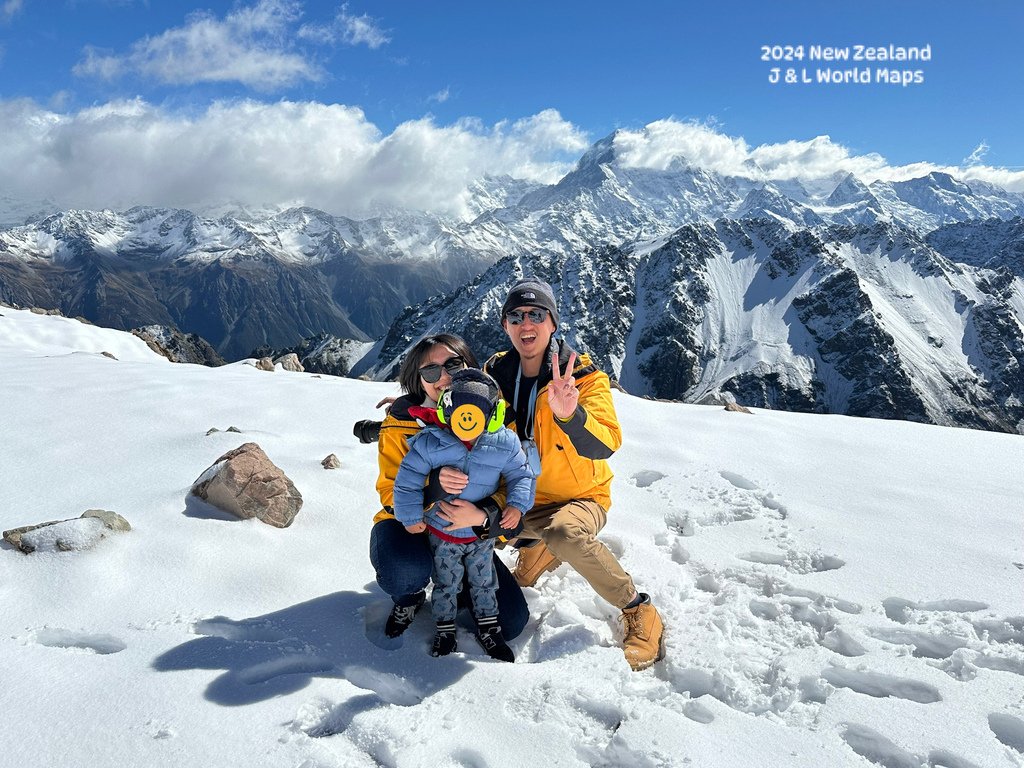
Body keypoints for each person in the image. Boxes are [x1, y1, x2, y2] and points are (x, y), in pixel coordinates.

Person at [442, 278, 665, 671]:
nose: (526, 323)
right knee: (459, 517)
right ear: (505, 324)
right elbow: (461, 410)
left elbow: (606, 443)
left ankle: (638, 608)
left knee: (564, 533)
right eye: (516, 316)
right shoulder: (494, 372)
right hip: (521, 495)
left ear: (552, 323)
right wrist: (415, 408)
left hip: (580, 498)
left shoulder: (583, 377)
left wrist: (570, 415)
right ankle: (535, 547)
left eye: (536, 315)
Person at [366, 334, 529, 642]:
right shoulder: (401, 424)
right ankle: (409, 596)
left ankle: (461, 588)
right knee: (404, 571)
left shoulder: (496, 420)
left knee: (512, 622)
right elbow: (390, 493)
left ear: (471, 366)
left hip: (465, 534)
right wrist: (435, 488)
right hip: (408, 528)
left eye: (453, 364)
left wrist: (483, 515)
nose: (443, 377)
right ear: (419, 381)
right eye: (430, 371)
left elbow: (514, 479)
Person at [393, 369, 535, 661]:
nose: (467, 421)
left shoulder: (504, 443)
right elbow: (406, 480)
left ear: (492, 415)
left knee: (484, 582)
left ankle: (489, 628)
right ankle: (445, 629)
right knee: (447, 583)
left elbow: (522, 476)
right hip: (443, 535)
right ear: (447, 410)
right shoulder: (431, 442)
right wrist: (409, 516)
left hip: (480, 536)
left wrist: (516, 506)